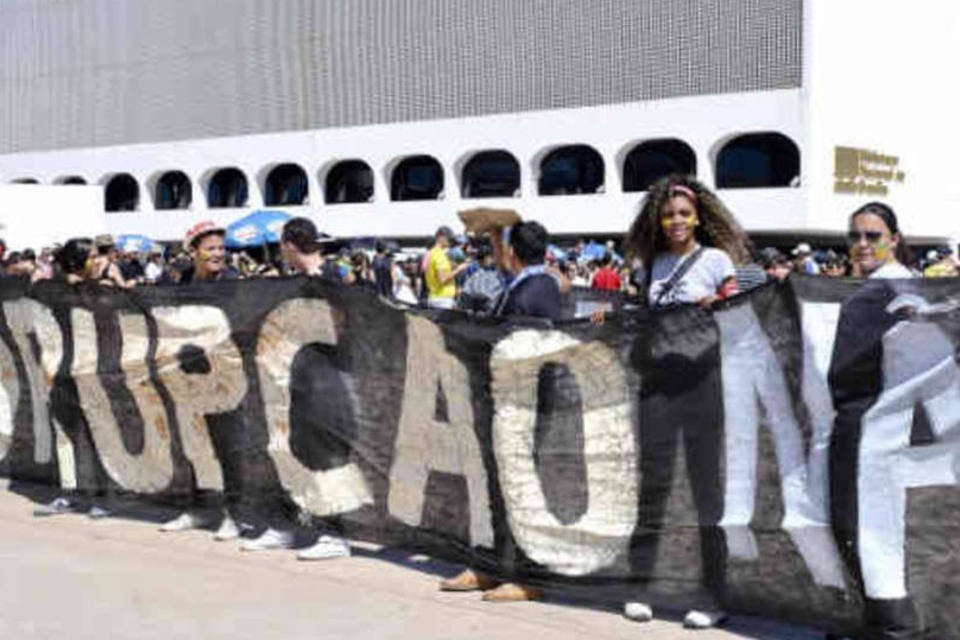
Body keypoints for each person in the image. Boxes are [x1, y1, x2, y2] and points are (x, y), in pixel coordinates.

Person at [621, 175, 752, 630]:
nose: (676, 220)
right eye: (669, 213)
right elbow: (638, 318)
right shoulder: (651, 265)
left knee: (705, 493)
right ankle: (639, 586)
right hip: (657, 385)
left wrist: (711, 301)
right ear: (658, 218)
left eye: (683, 213)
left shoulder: (716, 260)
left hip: (702, 384)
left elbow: (737, 315)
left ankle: (712, 594)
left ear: (698, 216)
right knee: (652, 484)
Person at [440, 220, 561, 604]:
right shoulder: (528, 283)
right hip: (506, 399)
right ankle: (490, 567)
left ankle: (530, 575)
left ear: (512, 253)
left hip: (524, 403)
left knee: (522, 490)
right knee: (496, 487)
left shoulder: (537, 291)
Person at [828, 202, 930, 639]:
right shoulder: (856, 286)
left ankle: (896, 629)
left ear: (894, 238)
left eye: (873, 235)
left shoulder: (904, 288)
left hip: (885, 424)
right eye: (855, 235)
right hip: (851, 420)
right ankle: (874, 621)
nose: (862, 244)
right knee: (848, 522)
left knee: (874, 526)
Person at [157, 221, 241, 541]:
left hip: (225, 379)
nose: (218, 254)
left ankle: (234, 514)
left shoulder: (234, 282)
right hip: (186, 377)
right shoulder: (179, 281)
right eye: (211, 248)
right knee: (189, 444)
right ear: (193, 252)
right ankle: (194, 508)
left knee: (227, 447)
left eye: (221, 248)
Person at [424, 226, 470, 309]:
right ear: (441, 237)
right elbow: (442, 279)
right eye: (449, 239)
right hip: (442, 299)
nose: (451, 242)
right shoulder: (439, 255)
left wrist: (451, 267)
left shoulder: (431, 253)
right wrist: (459, 269)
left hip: (435, 296)